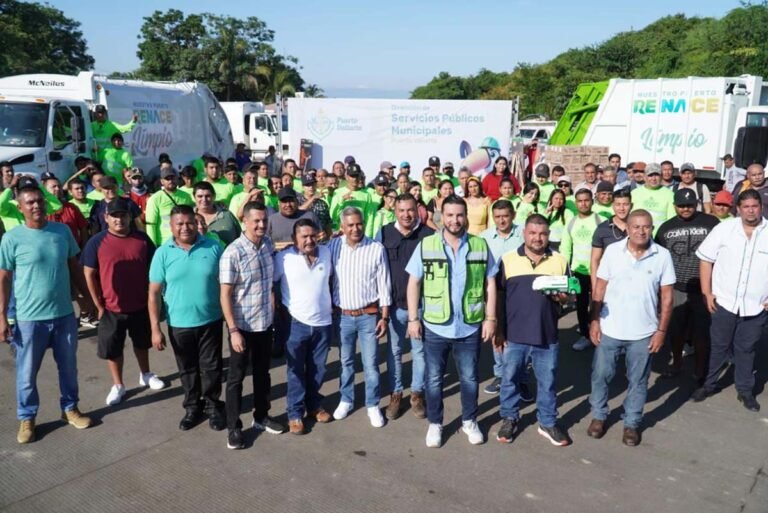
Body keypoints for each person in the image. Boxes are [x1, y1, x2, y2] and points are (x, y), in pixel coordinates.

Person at [0, 179, 93, 444]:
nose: (36, 206)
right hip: (29, 319)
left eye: (39, 201)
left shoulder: (61, 231)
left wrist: (87, 300)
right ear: (20, 208)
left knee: (68, 368)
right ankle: (27, 417)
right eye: (30, 202)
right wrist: (2, 316)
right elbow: (4, 278)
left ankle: (70, 409)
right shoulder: (11, 238)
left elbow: (74, 267)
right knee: (26, 373)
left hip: (64, 315)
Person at [406, 195, 498, 448]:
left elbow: (490, 283)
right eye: (449, 215)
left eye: (459, 215)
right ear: (441, 217)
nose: (455, 220)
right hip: (435, 326)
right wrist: (413, 319)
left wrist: (491, 318)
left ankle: (469, 421)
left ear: (466, 216)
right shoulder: (426, 245)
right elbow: (414, 282)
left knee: (469, 378)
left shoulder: (480, 245)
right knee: (434, 379)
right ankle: (435, 423)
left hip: (469, 326)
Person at [588, 209, 675, 446]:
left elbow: (667, 298)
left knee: (638, 380)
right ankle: (598, 415)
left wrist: (661, 331)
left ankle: (632, 423)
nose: (641, 231)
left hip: (644, 333)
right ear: (627, 228)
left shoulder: (662, 256)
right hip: (610, 329)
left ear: (652, 228)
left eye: (646, 226)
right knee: (601, 375)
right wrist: (594, 320)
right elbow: (599, 289)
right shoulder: (612, 252)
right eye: (636, 226)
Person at [494, 214, 573, 446]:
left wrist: (563, 297)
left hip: (546, 335)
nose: (537, 238)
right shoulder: (508, 259)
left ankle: (547, 422)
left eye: (542, 234)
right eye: (532, 233)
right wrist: (498, 329)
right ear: (524, 234)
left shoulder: (560, 260)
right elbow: (498, 297)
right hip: (514, 335)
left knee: (547, 382)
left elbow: (569, 296)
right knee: (509, 379)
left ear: (548, 235)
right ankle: (509, 418)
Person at [81, 198, 166, 406]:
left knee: (142, 343)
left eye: (123, 215)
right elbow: (89, 274)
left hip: (140, 304)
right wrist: (98, 305)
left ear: (129, 217)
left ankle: (146, 374)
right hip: (111, 307)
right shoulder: (96, 242)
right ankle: (118, 384)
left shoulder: (142, 239)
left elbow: (155, 269)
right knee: (113, 348)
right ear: (106, 217)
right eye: (114, 216)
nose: (119, 219)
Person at [148, 205, 225, 432]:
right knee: (187, 368)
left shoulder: (213, 247)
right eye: (179, 223)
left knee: (211, 367)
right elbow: (153, 293)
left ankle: (213, 406)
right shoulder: (163, 253)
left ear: (196, 223)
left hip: (211, 320)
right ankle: (192, 407)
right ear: (171, 226)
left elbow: (227, 283)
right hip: (179, 323)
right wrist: (155, 328)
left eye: (189, 222)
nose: (185, 228)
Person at [691, 189, 768, 412]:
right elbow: (705, 260)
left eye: (754, 206)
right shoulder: (724, 229)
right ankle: (709, 384)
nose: (751, 211)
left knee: (746, 349)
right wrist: (707, 292)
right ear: (738, 209)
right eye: (746, 207)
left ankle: (745, 391)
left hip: (756, 306)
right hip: (724, 301)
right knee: (718, 346)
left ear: (761, 207)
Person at [219, 201, 285, 450]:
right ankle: (234, 427)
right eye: (256, 220)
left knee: (262, 373)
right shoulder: (233, 253)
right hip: (242, 327)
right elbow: (225, 294)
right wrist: (233, 330)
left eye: (264, 220)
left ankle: (261, 416)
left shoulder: (267, 244)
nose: (261, 225)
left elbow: (268, 284)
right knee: (236, 378)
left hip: (264, 323)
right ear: (244, 221)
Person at [329, 207, 392, 427]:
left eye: (359, 224)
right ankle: (346, 399)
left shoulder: (376, 248)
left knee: (371, 363)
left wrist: (384, 317)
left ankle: (372, 404)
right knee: (345, 361)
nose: (355, 228)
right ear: (342, 227)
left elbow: (384, 285)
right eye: (350, 225)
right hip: (343, 316)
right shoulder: (333, 246)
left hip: (368, 316)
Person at [376, 193, 434, 420]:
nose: (406, 215)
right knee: (395, 352)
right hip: (393, 307)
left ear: (417, 210)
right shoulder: (384, 233)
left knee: (420, 352)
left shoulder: (428, 235)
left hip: (420, 307)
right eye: (401, 210)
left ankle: (417, 394)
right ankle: (396, 393)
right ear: (395, 211)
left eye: (410, 210)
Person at [274, 219, 334, 435]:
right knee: (296, 371)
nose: (309, 240)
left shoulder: (327, 253)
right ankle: (295, 413)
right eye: (304, 236)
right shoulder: (283, 258)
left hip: (323, 323)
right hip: (295, 323)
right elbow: (270, 282)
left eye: (312, 235)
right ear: (294, 239)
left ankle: (314, 406)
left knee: (318, 370)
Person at [654, 189, 719, 381]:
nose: (685, 209)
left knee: (702, 332)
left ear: (696, 204)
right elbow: (658, 258)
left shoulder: (711, 223)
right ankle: (676, 364)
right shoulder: (666, 228)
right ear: (675, 206)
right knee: (676, 330)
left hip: (704, 288)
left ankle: (700, 370)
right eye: (681, 205)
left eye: (690, 205)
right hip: (677, 288)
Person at [480, 200, 529, 399]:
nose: (501, 221)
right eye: (497, 217)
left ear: (513, 215)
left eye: (505, 216)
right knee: (496, 333)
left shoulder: (523, 234)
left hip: (520, 291)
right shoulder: (484, 238)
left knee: (522, 335)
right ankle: (500, 375)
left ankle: (522, 378)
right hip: (494, 291)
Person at [560, 189, 601, 351]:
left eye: (586, 200)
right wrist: (566, 271)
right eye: (580, 201)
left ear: (592, 201)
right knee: (582, 305)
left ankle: (601, 335)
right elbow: (565, 248)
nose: (583, 204)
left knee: (599, 303)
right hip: (579, 271)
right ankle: (585, 335)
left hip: (599, 271)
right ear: (576, 203)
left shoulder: (600, 221)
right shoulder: (571, 223)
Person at [145, 167, 194, 246]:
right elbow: (151, 225)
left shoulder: (186, 196)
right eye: (167, 179)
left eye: (173, 178)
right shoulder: (155, 199)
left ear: (177, 179)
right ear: (162, 181)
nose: (171, 181)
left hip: (185, 242)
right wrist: (152, 246)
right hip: (164, 244)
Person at [590, 188, 632, 280]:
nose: (622, 208)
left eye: (625, 204)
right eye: (618, 204)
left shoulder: (639, 228)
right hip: (609, 281)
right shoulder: (602, 229)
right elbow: (595, 261)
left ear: (631, 205)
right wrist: (595, 285)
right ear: (612, 205)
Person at [631, 163, 675, 235]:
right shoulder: (634, 193)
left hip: (660, 237)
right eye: (650, 175)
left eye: (657, 175)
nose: (654, 179)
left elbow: (671, 221)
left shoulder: (670, 194)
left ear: (661, 176)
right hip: (638, 236)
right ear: (645, 177)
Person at [193, 182, 241, 246]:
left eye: (208, 196)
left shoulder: (228, 216)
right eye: (200, 196)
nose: (204, 199)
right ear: (194, 197)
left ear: (214, 196)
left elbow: (240, 238)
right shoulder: (188, 218)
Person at [298, 175, 332, 239]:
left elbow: (327, 225)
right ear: (303, 187)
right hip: (304, 238)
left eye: (313, 184)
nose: (311, 187)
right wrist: (313, 198)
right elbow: (298, 211)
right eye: (308, 185)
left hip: (321, 238)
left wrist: (329, 238)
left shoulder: (322, 203)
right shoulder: (297, 200)